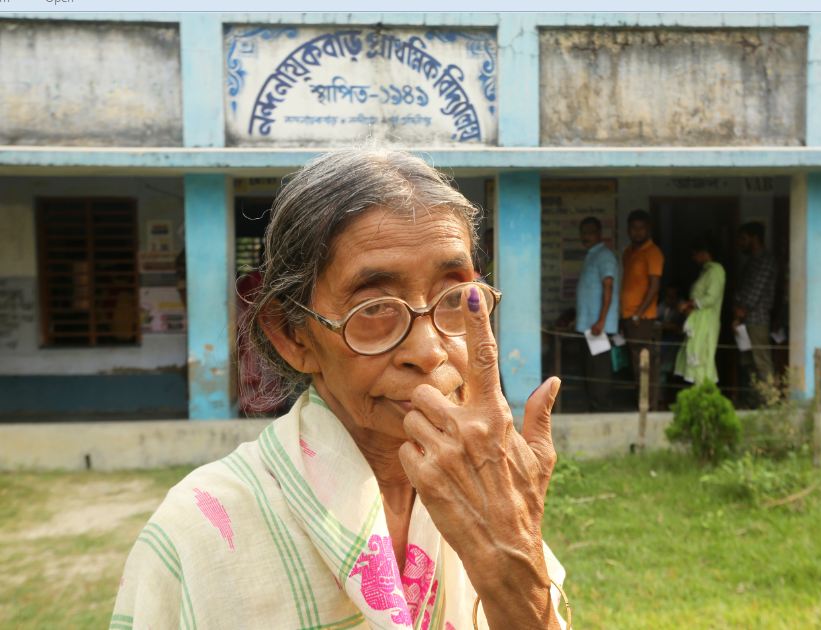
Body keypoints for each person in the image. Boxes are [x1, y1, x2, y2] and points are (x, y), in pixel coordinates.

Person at [112, 149, 569, 629]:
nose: (430, 351)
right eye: (374, 308)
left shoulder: (491, 499)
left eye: (455, 298)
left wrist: (511, 553)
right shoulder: (199, 530)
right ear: (293, 336)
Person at [620, 209, 664, 409]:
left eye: (641, 228)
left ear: (648, 229)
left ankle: (649, 406)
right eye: (633, 228)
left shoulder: (653, 252)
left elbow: (654, 286)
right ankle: (641, 403)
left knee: (645, 363)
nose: (637, 232)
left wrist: (639, 313)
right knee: (635, 362)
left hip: (643, 318)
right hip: (628, 316)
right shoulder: (628, 252)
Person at [575, 217, 620, 412]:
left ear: (599, 233)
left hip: (599, 327)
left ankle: (602, 409)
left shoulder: (604, 256)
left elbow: (608, 287)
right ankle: (593, 407)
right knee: (590, 368)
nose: (586, 236)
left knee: (599, 370)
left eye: (590, 232)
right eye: (583, 232)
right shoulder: (592, 255)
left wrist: (601, 321)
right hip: (589, 326)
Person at [674, 237, 726, 385]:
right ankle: (698, 391)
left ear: (704, 253)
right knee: (695, 354)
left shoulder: (716, 270)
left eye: (694, 254)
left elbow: (711, 298)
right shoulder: (706, 271)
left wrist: (688, 304)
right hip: (698, 321)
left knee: (703, 357)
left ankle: (704, 391)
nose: (693, 258)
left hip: (706, 321)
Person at [733, 222, 778, 388]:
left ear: (755, 238)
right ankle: (754, 398)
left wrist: (739, 311)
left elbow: (754, 292)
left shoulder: (765, 261)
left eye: (743, 238)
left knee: (761, 362)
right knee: (748, 363)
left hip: (757, 320)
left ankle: (769, 399)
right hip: (746, 320)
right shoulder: (753, 261)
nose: (740, 243)